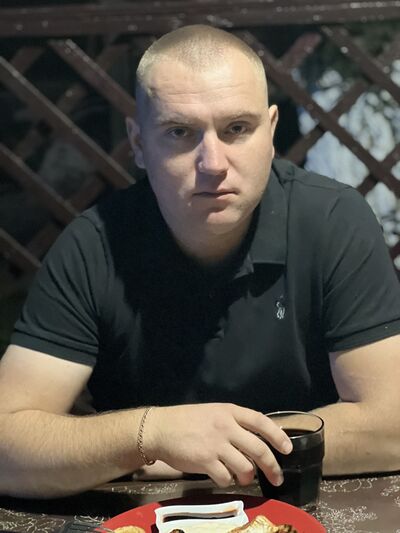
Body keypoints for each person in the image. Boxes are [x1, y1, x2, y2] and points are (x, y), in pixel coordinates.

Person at [0, 25, 399, 500]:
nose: (213, 163)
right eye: (180, 132)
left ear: (271, 131)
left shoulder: (333, 220)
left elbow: (392, 426)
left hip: (312, 510)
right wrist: (151, 434)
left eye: (237, 129)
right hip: (145, 522)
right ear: (139, 143)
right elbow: (6, 448)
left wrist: (206, 450)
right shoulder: (93, 245)